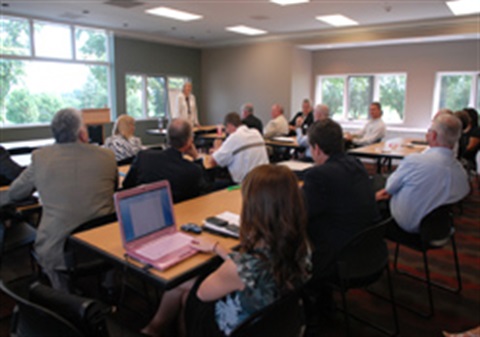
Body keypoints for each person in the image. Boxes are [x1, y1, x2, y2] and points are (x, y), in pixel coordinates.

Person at [141, 164, 311, 337]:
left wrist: (219, 264)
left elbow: (202, 293)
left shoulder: (239, 269)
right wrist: (218, 249)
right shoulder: (301, 246)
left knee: (184, 289)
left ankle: (155, 328)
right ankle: (155, 327)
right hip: (274, 322)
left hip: (233, 328)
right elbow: (251, 267)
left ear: (253, 210)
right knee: (186, 283)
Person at [8, 108, 117, 290]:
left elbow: (14, 194)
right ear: (82, 133)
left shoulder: (40, 157)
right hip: (103, 245)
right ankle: (110, 288)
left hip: (58, 250)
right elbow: (113, 189)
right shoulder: (107, 157)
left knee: (54, 264)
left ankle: (63, 298)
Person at [302, 119, 380, 280]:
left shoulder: (318, 176)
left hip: (337, 258)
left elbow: (298, 214)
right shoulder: (356, 164)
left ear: (316, 149)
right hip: (371, 251)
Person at [376, 114, 470, 235]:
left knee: (378, 183)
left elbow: (390, 188)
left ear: (434, 135)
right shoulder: (460, 170)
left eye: (429, 130)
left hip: (408, 223)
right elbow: (462, 192)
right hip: (441, 228)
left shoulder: (414, 161)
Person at [123, 118, 209, 203]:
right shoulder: (193, 170)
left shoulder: (143, 157)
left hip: (143, 208)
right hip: (180, 212)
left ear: (167, 137)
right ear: (189, 142)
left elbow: (127, 185)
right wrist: (196, 157)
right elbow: (205, 190)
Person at [209, 112, 269, 185]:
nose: (226, 132)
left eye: (226, 129)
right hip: (264, 180)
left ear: (229, 125)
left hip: (245, 184)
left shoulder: (234, 137)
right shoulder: (256, 133)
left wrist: (217, 148)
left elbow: (213, 161)